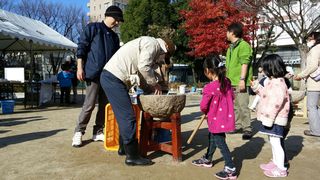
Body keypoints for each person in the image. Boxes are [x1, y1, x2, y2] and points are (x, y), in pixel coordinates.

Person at [100, 36, 175, 166]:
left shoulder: (147, 45)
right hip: (113, 79)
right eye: (164, 57)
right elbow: (143, 67)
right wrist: (155, 84)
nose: (162, 60)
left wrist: (148, 88)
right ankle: (132, 156)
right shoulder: (153, 44)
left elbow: (140, 74)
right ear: (165, 49)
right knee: (128, 117)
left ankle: (123, 148)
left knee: (124, 116)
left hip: (111, 78)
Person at [72, 6, 124, 147]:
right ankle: (79, 132)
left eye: (119, 21)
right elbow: (82, 47)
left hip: (108, 76)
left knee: (104, 105)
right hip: (93, 73)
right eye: (117, 19)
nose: (118, 23)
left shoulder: (114, 37)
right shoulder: (93, 28)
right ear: (109, 15)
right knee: (89, 104)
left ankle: (98, 131)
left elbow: (117, 58)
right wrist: (79, 67)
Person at [191, 56, 237, 180]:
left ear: (207, 70)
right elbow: (232, 97)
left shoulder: (209, 87)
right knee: (212, 138)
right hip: (223, 117)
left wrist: (205, 110)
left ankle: (230, 168)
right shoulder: (227, 82)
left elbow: (203, 106)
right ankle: (208, 158)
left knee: (220, 142)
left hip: (216, 119)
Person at [251, 54, 290, 178]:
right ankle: (275, 162)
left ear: (271, 68)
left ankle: (281, 168)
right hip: (272, 118)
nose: (263, 70)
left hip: (275, 119)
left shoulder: (278, 83)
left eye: (265, 68)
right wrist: (257, 88)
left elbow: (275, 104)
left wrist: (269, 119)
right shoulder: (273, 81)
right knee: (273, 141)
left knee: (276, 142)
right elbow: (265, 94)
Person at [226, 22, 253, 140]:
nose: (226, 34)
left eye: (227, 31)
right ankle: (237, 125)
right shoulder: (230, 48)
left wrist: (242, 79)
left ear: (232, 32)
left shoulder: (243, 45)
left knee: (243, 105)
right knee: (234, 106)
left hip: (240, 80)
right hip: (230, 81)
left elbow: (244, 63)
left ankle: (247, 128)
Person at [294, 32, 320, 137]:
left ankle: (316, 131)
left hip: (315, 83)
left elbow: (312, 66)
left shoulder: (315, 49)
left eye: (310, 39)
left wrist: (301, 75)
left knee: (312, 106)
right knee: (317, 107)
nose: (308, 41)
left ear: (315, 38)